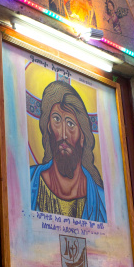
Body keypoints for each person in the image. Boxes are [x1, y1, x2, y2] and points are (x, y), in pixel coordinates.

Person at [30, 80, 106, 222]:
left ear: (82, 136)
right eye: (57, 120)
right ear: (48, 127)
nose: (64, 134)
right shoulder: (29, 181)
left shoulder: (101, 201)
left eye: (70, 123)